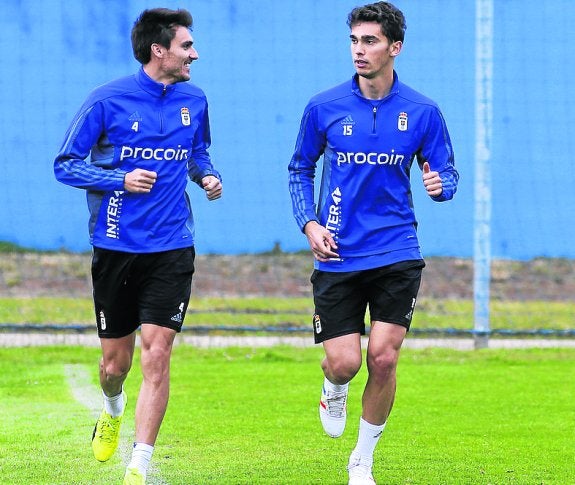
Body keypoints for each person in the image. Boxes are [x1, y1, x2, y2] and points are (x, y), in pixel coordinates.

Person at [288, 2, 458, 484]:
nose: (358, 50)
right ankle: (333, 387)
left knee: (384, 356)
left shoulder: (423, 111)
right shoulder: (323, 107)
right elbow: (299, 168)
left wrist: (440, 185)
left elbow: (446, 172)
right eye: (354, 41)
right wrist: (309, 223)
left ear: (394, 47)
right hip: (338, 252)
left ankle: (361, 460)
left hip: (397, 249)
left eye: (370, 41)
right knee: (344, 363)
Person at [54, 8, 222, 485]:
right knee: (115, 365)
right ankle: (112, 406)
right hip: (116, 248)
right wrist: (119, 180)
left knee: (158, 352)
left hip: (173, 246)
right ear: (158, 50)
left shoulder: (195, 99)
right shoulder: (107, 100)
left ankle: (139, 464)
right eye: (187, 46)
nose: (195, 54)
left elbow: (197, 152)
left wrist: (207, 175)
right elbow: (65, 164)